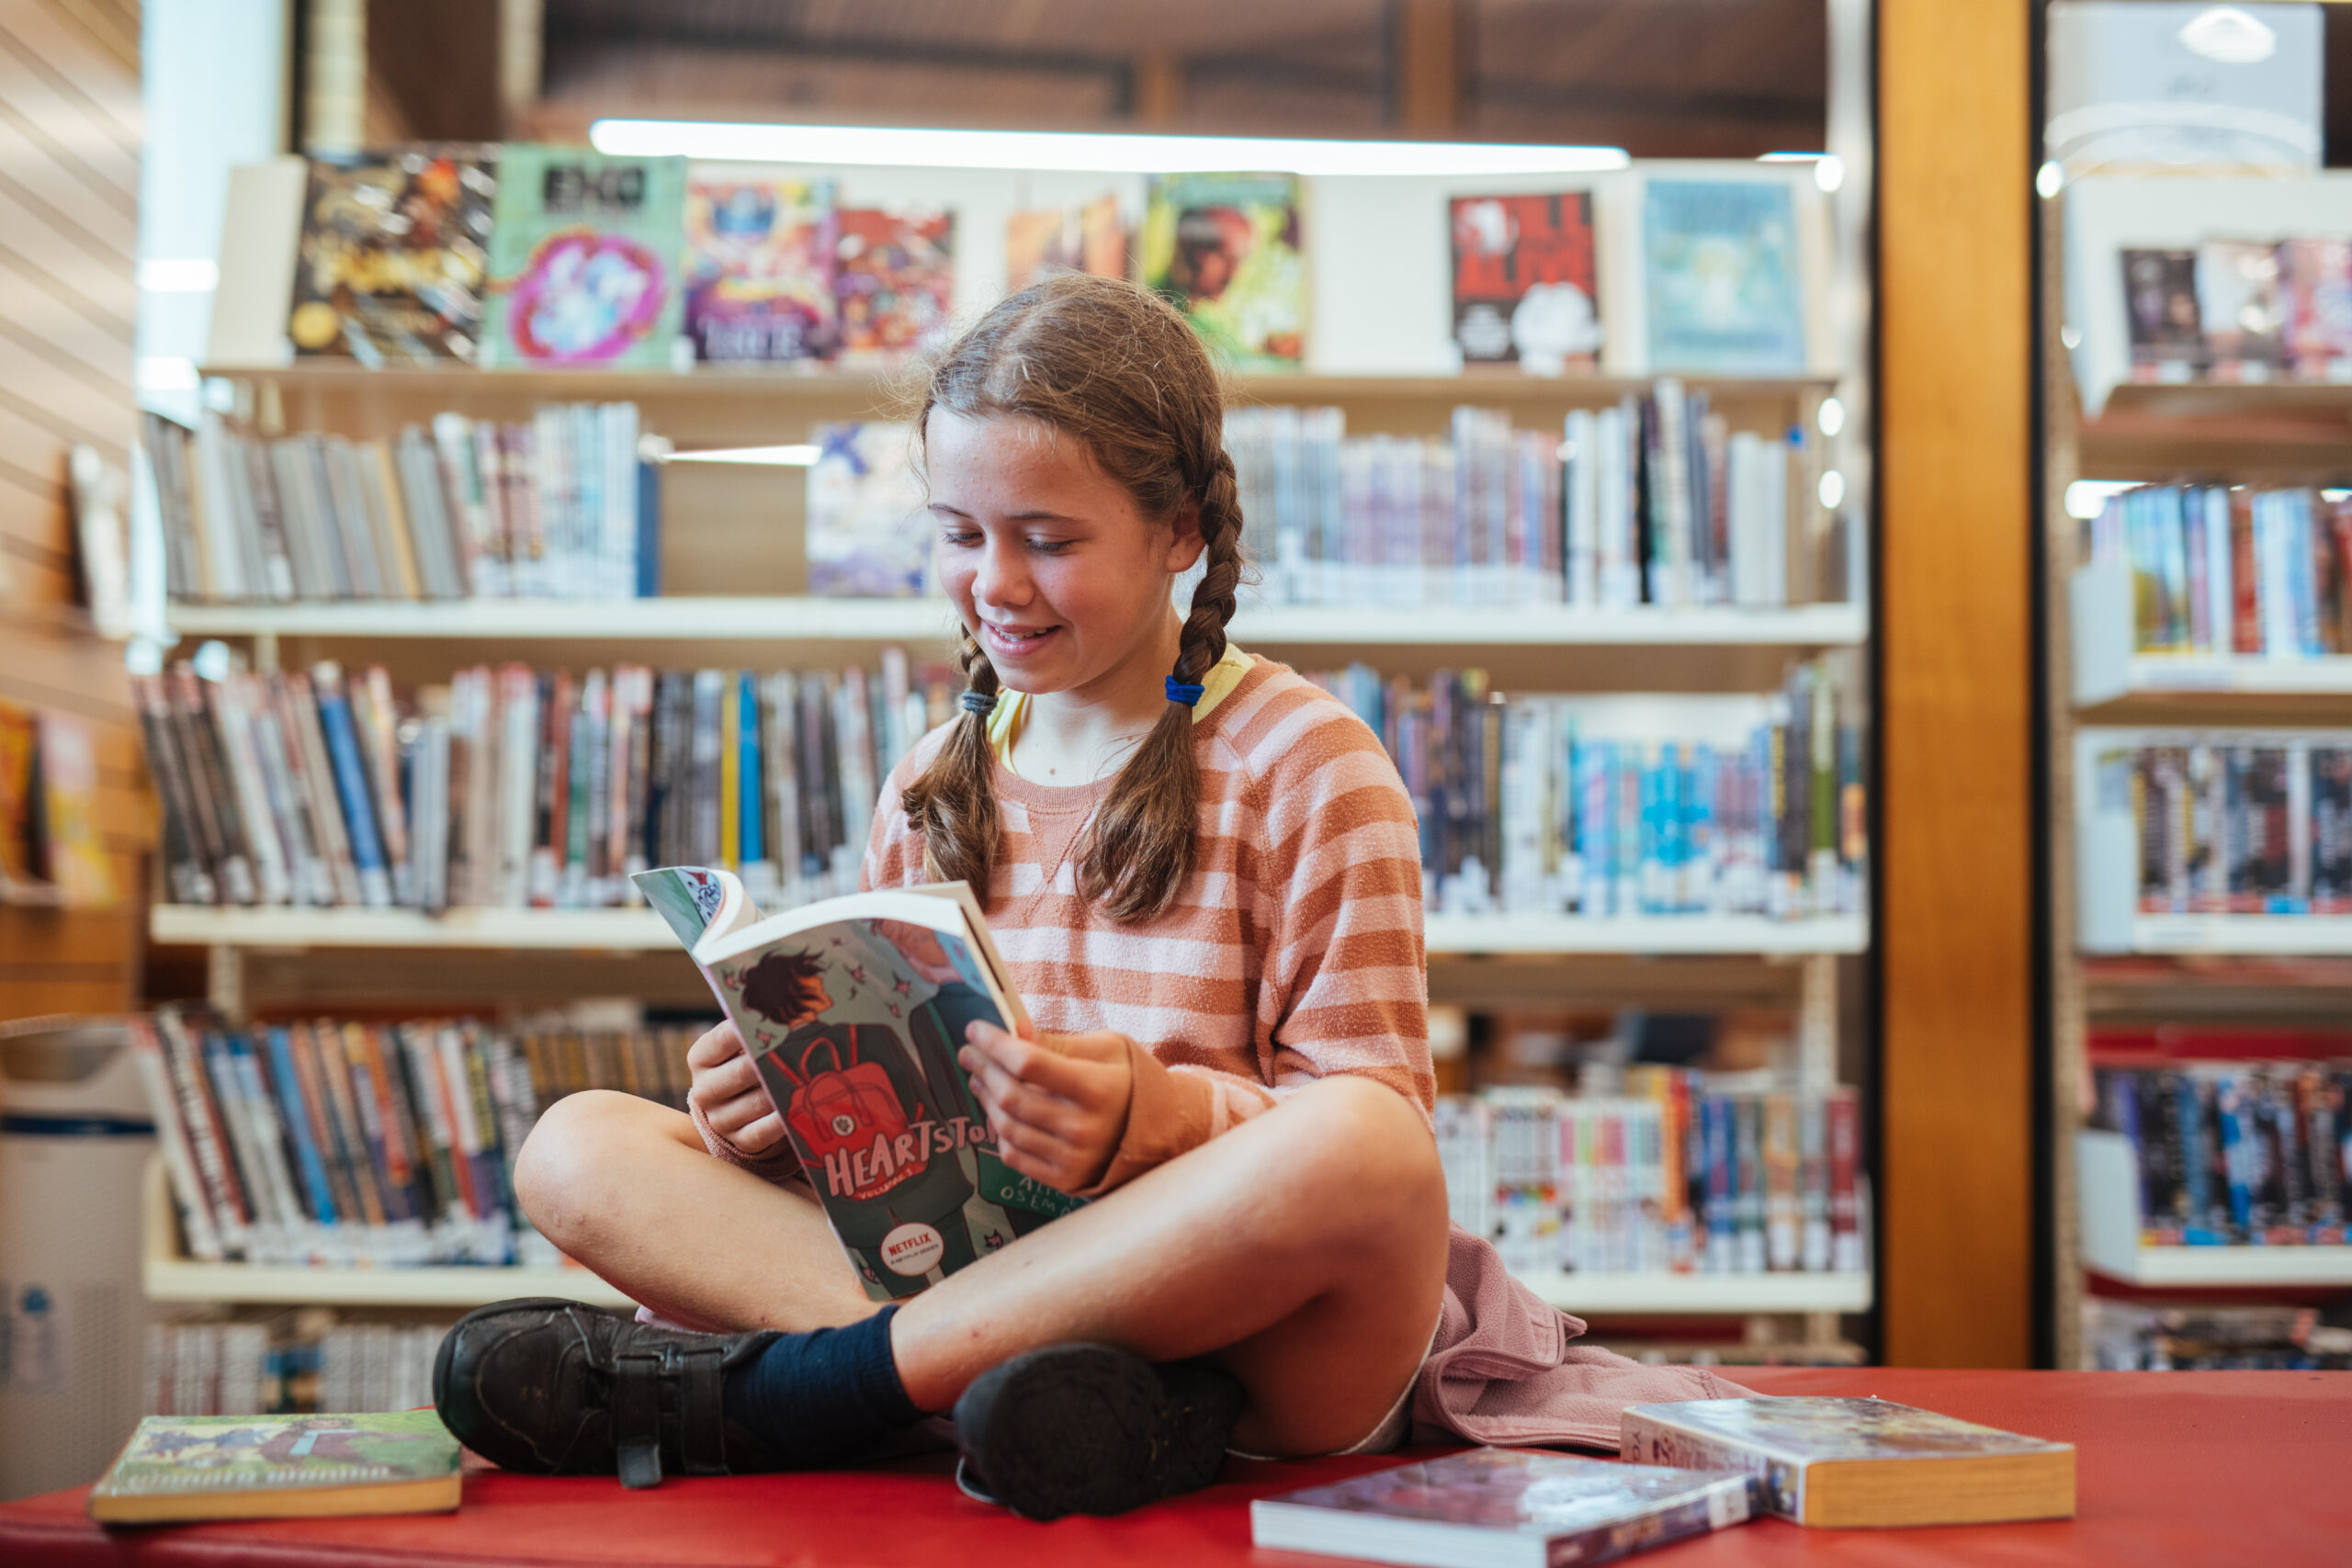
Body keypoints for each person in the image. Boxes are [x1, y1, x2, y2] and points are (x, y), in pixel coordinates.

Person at [434, 273, 1742, 1517]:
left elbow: (1360, 1138)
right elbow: (901, 1147)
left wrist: (1151, 1120)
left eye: (1049, 541)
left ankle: (804, 1394)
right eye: (960, 535)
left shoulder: (1312, 764)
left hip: (1267, 1341)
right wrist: (779, 1115)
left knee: (1370, 1143)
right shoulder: (931, 777)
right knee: (578, 1144)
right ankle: (1077, 1404)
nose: (996, 585)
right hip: (966, 1275)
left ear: (1179, 532)